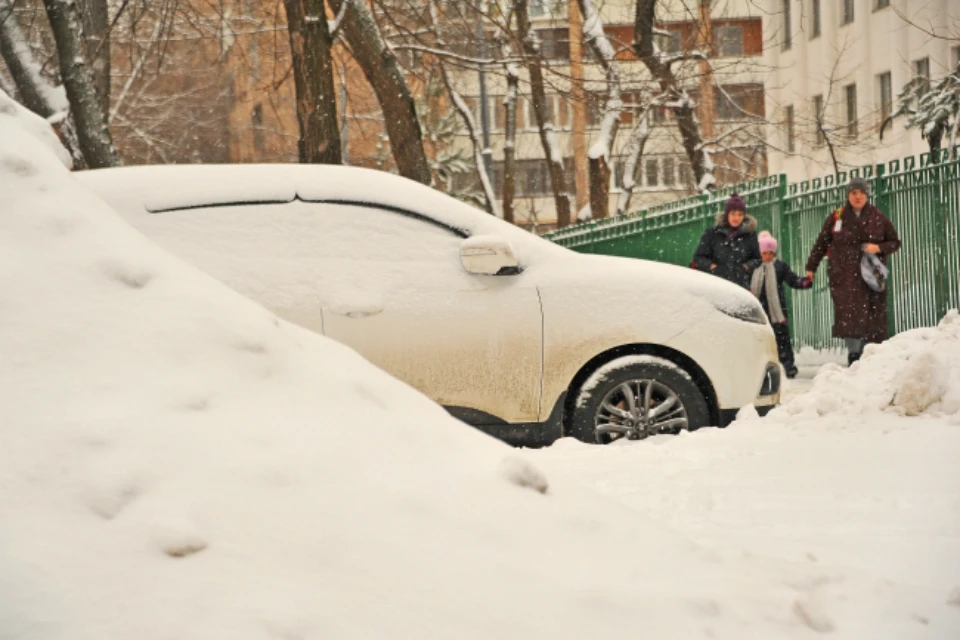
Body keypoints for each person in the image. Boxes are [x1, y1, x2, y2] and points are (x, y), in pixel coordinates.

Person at [805, 177, 901, 365]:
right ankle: (854, 355)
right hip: (844, 276)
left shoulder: (877, 217)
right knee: (849, 317)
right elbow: (821, 244)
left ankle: (870, 355)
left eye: (861, 193)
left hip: (870, 276)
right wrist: (811, 267)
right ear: (848, 195)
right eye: (854, 193)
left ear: (867, 195)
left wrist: (878, 247)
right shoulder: (837, 217)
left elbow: (895, 242)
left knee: (871, 317)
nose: (858, 197)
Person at [751, 231, 812, 378]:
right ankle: (761, 366)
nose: (768, 256)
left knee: (782, 338)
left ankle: (788, 365)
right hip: (760, 309)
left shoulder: (779, 266)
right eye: (765, 253)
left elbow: (792, 279)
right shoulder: (753, 266)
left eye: (771, 253)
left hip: (777, 311)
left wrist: (804, 282)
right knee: (760, 339)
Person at [692, 193, 762, 289]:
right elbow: (698, 257)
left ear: (744, 216)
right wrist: (712, 267)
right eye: (732, 213)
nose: (736, 218)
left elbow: (757, 259)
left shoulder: (750, 234)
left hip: (741, 286)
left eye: (740, 214)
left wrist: (746, 266)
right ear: (727, 214)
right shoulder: (713, 233)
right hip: (716, 285)